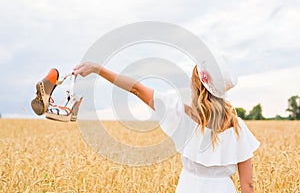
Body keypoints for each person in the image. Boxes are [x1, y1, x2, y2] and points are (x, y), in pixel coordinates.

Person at [73, 60, 260, 193]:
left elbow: (136, 88)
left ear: (197, 84)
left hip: (190, 188)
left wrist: (98, 69)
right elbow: (248, 185)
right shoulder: (237, 127)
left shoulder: (179, 112)